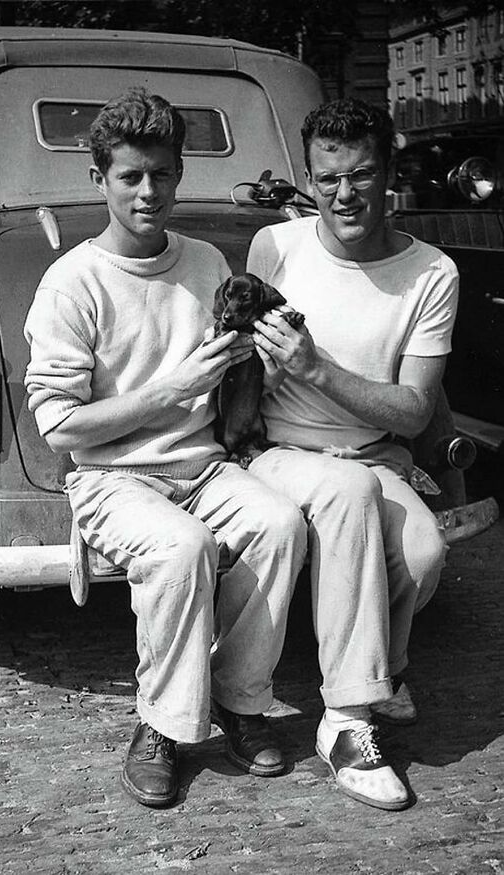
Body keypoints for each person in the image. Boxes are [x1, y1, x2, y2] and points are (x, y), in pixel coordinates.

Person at [23, 87, 307, 808]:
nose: (149, 192)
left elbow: (232, 379)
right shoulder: (72, 282)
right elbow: (58, 426)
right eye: (130, 176)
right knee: (181, 549)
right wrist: (168, 392)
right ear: (100, 181)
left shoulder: (208, 261)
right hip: (109, 475)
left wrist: (268, 363)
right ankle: (162, 725)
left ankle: (240, 699)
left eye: (162, 174)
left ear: (179, 174)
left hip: (201, 464)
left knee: (279, 525)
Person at [246, 97, 458, 811]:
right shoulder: (275, 248)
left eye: (362, 175)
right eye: (327, 177)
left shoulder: (431, 273)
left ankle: (383, 665)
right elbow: (245, 372)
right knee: (349, 496)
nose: (344, 195)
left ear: (388, 173)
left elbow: (414, 408)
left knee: (425, 553)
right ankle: (348, 720)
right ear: (309, 178)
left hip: (374, 454)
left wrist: (319, 370)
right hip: (282, 450)